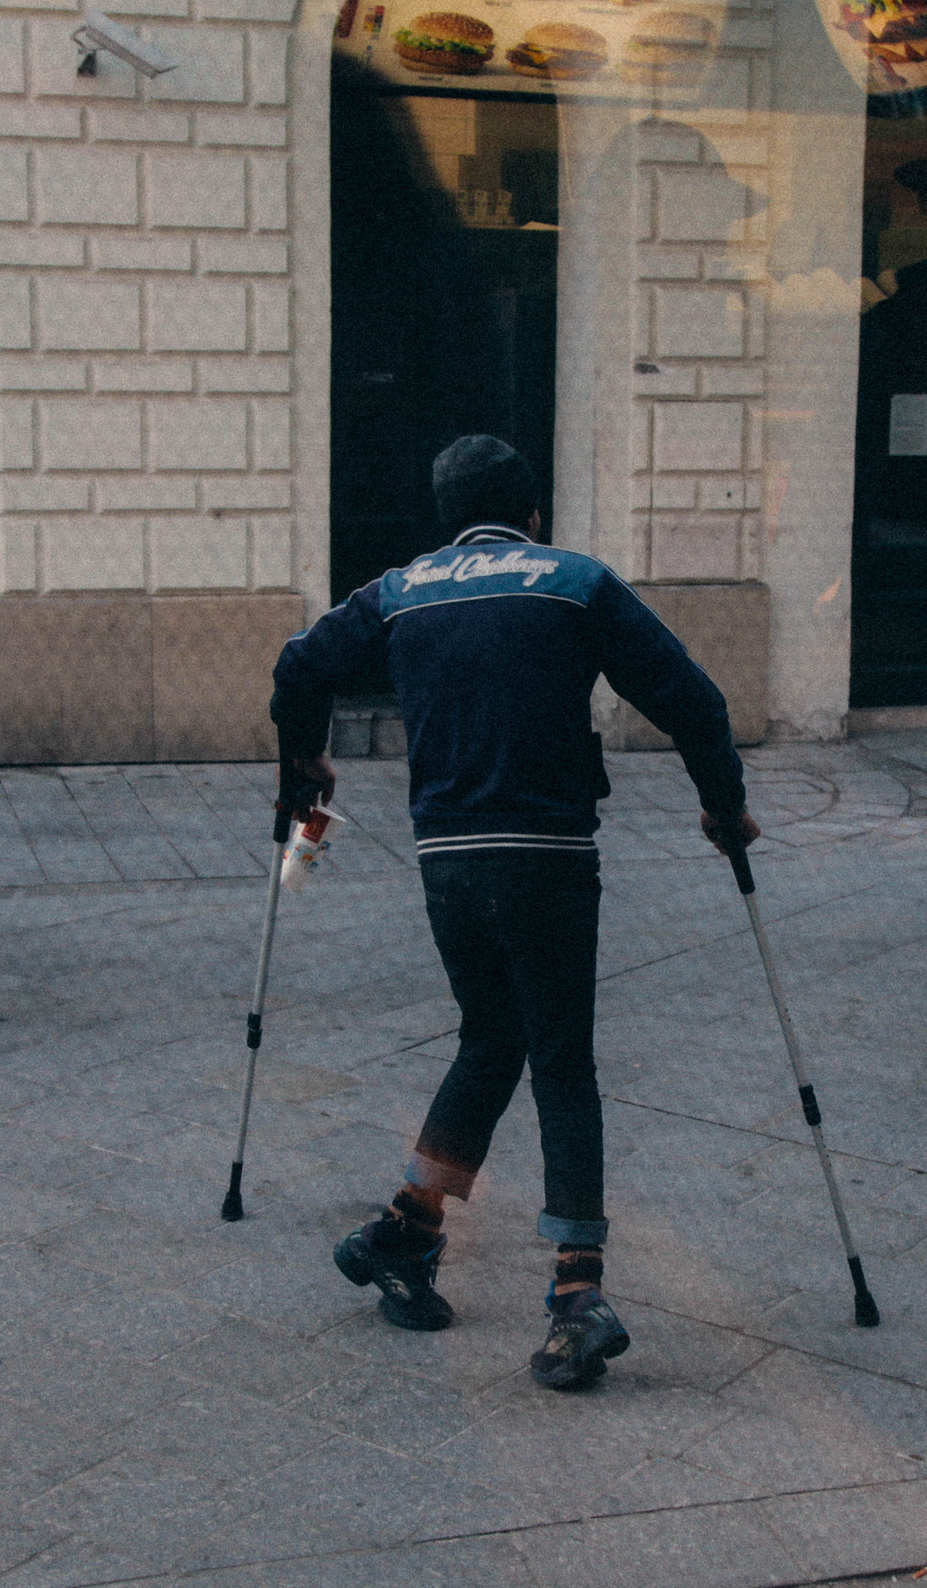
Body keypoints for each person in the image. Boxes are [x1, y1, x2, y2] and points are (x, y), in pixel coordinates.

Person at [269, 434, 758, 1391]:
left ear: (446, 516)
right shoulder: (575, 581)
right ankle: (577, 1294)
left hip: (447, 861)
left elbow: (298, 665)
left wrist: (306, 762)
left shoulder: (402, 587)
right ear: (532, 513)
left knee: (491, 1037)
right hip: (548, 858)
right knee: (562, 1060)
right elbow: (691, 696)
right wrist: (720, 799)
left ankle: (406, 1227)